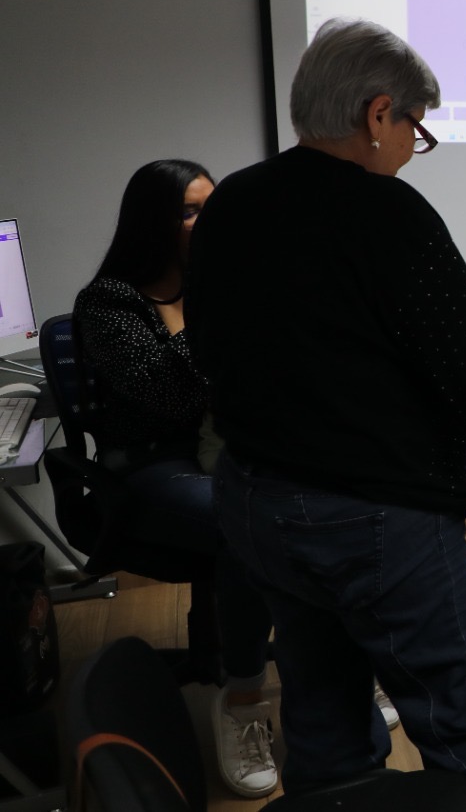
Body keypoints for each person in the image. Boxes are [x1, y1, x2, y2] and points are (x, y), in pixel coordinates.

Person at [188, 18, 466, 812]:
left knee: (323, 713)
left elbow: (216, 349)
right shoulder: (388, 214)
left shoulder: (232, 204)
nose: (410, 148)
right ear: (377, 114)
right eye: (415, 129)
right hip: (375, 521)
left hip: (256, 502)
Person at [73, 159, 280, 797]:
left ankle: (344, 671)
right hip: (151, 463)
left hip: (231, 445)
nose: (207, 221)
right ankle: (243, 702)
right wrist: (217, 306)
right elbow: (171, 397)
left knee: (317, 500)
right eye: (190, 211)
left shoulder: (218, 284)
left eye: (211, 207)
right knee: (244, 523)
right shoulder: (109, 302)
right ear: (153, 222)